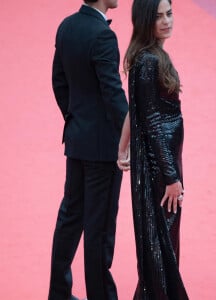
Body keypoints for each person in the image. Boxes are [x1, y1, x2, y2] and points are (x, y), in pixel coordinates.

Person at [48, 0, 128, 299]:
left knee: (70, 217)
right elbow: (113, 93)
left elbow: (59, 81)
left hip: (78, 141)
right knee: (100, 229)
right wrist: (130, 137)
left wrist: (76, 120)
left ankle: (58, 293)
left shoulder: (67, 26)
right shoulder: (103, 35)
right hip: (104, 149)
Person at [118, 0, 189, 299]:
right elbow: (153, 121)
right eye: (158, 16)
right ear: (144, 19)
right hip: (161, 170)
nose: (166, 21)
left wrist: (123, 147)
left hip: (159, 164)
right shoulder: (150, 61)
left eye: (169, 14)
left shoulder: (147, 56)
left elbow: (135, 108)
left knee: (158, 249)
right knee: (162, 250)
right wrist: (172, 178)